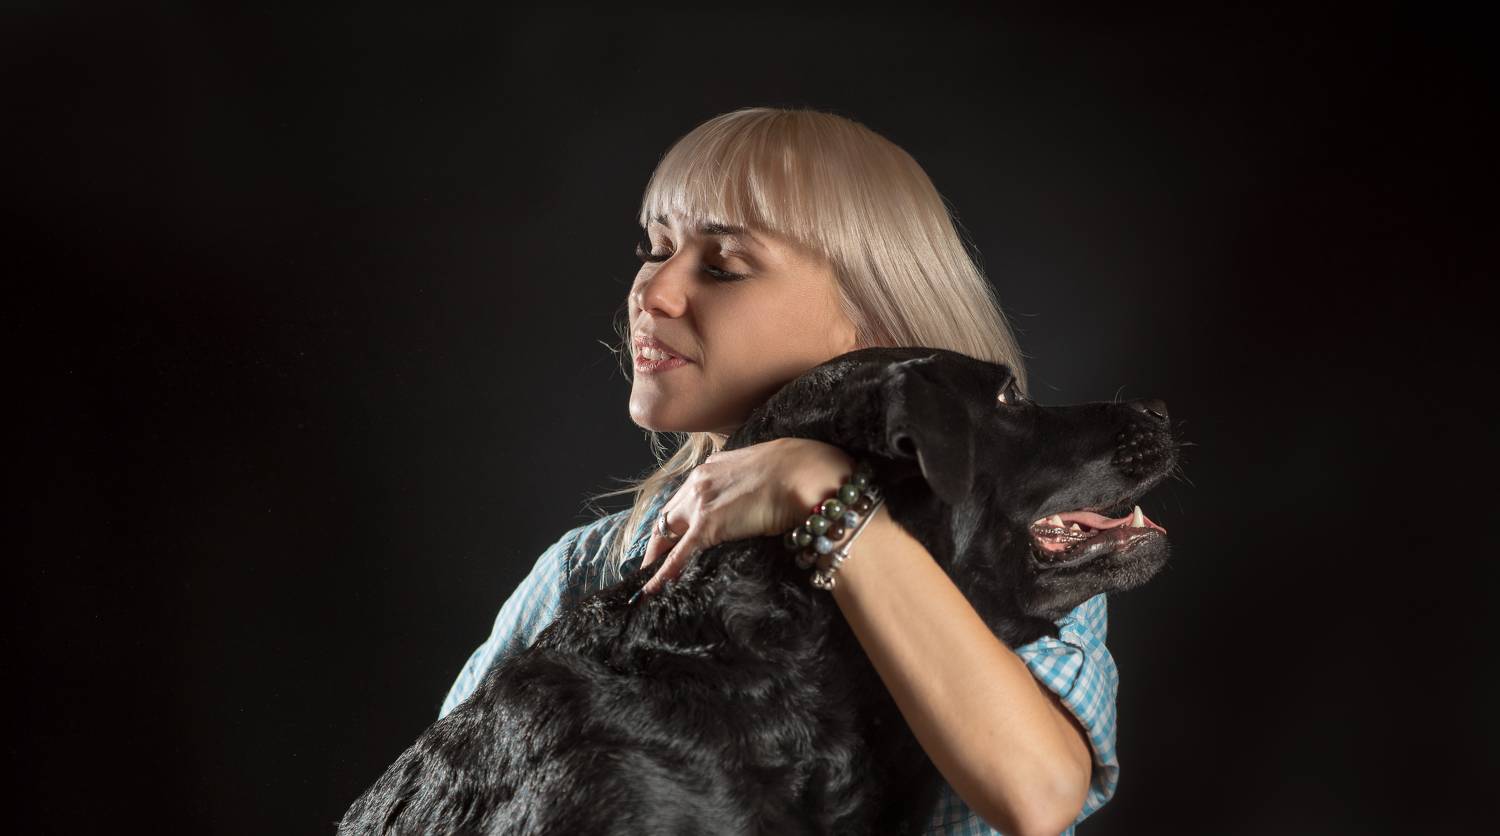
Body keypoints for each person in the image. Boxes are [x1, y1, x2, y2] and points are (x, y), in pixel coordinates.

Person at [439, 106, 1120, 836]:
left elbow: (1037, 795)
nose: (651, 292)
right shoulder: (586, 573)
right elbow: (446, 804)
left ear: (874, 328)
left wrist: (819, 493)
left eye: (723, 267)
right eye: (655, 248)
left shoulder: (1015, 548)